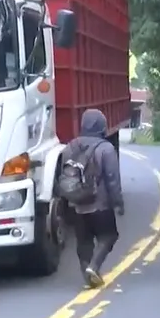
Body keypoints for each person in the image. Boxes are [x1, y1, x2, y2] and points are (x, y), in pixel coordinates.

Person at [61, 109, 125, 288]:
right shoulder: (106, 149)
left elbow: (65, 175)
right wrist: (118, 202)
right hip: (100, 203)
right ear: (102, 126)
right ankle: (94, 266)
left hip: (77, 203)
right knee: (109, 236)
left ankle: (87, 273)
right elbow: (112, 179)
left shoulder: (70, 147)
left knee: (84, 240)